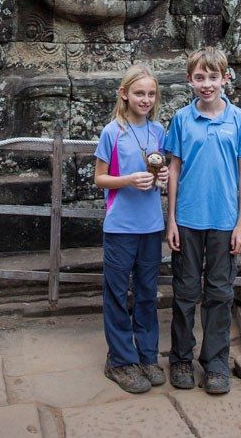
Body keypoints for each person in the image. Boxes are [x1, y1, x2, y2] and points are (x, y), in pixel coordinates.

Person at [165, 47, 241, 395]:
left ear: (225, 78)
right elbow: (173, 169)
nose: (207, 84)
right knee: (185, 291)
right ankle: (180, 357)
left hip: (223, 220)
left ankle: (216, 361)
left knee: (220, 292)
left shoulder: (239, 121)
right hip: (188, 218)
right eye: (200, 77)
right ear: (190, 80)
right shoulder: (181, 120)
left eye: (213, 77)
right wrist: (171, 219)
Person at [94, 63, 169, 394]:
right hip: (121, 226)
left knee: (146, 292)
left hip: (151, 225)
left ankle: (147, 354)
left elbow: (161, 172)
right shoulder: (112, 132)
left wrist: (162, 179)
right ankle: (121, 360)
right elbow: (100, 178)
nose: (146, 99)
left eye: (151, 94)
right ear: (124, 94)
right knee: (116, 292)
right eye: (139, 93)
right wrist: (127, 180)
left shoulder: (158, 132)